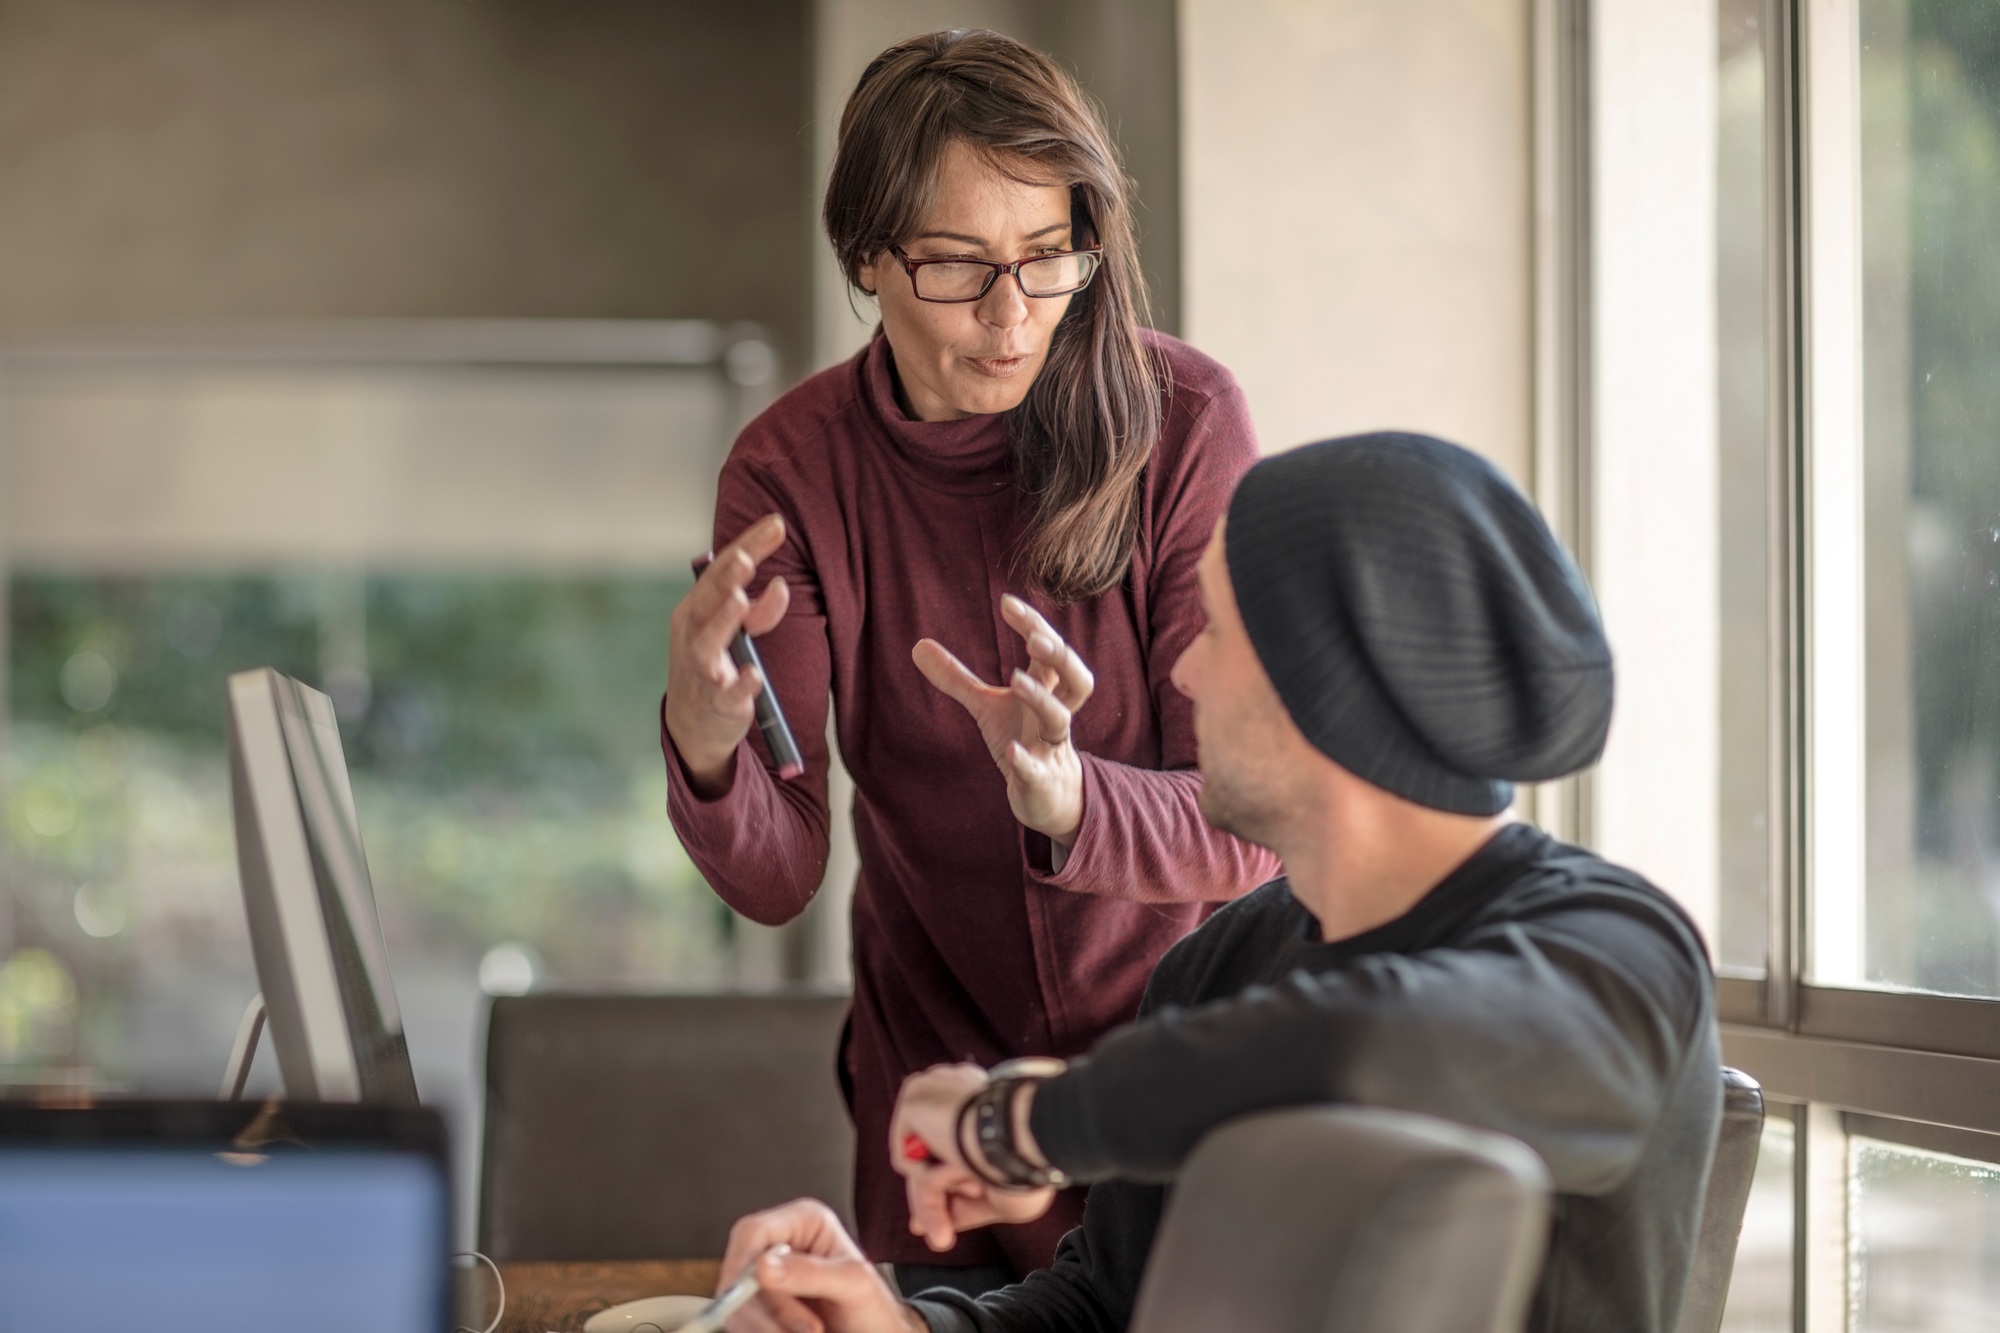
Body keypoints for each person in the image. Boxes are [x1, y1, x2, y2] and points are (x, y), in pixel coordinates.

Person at [713, 433, 1724, 1333]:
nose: (1185, 674)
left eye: (1218, 631)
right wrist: (893, 1325)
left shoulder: (1615, 946)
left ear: (1322, 684)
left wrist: (1021, 1125)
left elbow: (1368, 1044)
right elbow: (1105, 1308)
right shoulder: (1215, 965)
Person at [661, 29, 1277, 1292]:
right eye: (954, 266)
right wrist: (712, 750)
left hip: (1172, 1082)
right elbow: (780, 878)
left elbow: (1252, 821)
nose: (1011, 317)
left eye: (1047, 257)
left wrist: (1068, 796)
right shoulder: (792, 471)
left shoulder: (1184, 426)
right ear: (867, 258)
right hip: (935, 1085)